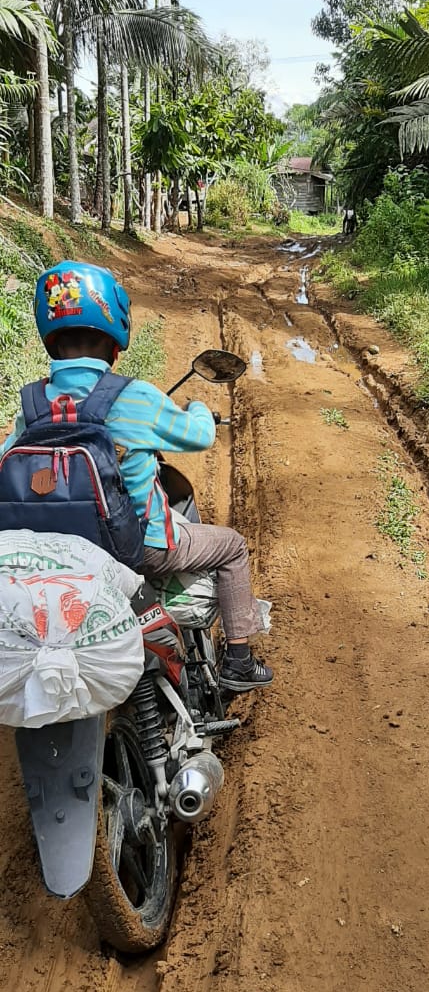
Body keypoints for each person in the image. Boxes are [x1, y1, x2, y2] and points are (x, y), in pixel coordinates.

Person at [1, 260, 272, 693]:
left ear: (50, 339)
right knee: (232, 547)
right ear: (115, 342)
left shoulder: (32, 405)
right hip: (136, 551)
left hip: (50, 561)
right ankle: (238, 661)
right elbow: (198, 435)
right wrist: (200, 408)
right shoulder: (134, 397)